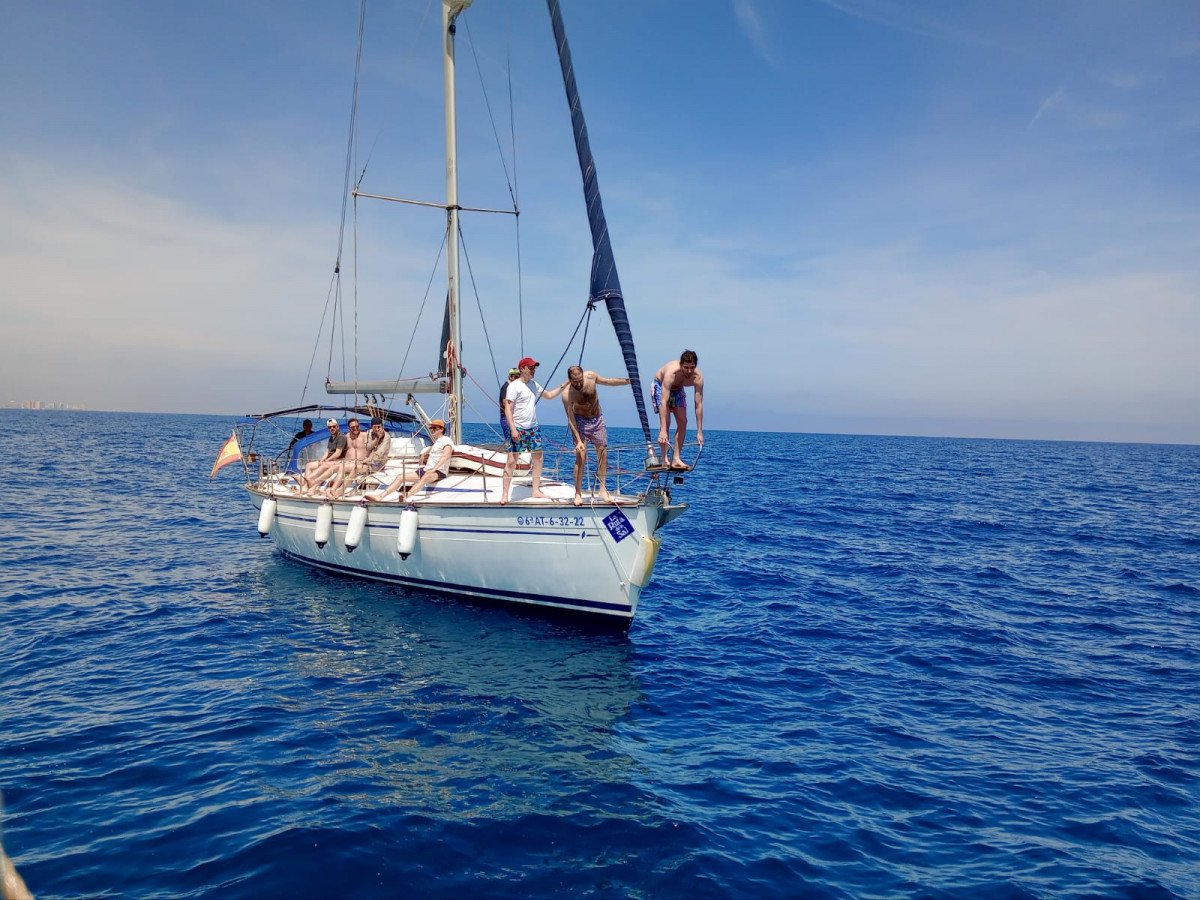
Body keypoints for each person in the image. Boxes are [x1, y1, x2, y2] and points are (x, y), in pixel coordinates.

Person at [554, 365, 630, 505]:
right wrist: (578, 441)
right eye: (574, 381)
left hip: (597, 419)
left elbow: (608, 382)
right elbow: (570, 419)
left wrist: (628, 381)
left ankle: (602, 489)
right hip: (580, 421)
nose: (578, 384)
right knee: (581, 457)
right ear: (569, 380)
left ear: (583, 375)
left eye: (580, 380)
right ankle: (577, 493)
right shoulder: (567, 394)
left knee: (603, 454)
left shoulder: (591, 377)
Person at [500, 356, 564, 504]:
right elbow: (508, 409)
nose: (533, 370)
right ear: (522, 369)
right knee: (511, 461)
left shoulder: (534, 385)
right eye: (531, 367)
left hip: (533, 428)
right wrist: (513, 429)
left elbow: (548, 396)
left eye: (534, 368)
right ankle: (505, 495)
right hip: (519, 428)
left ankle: (535, 490)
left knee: (538, 458)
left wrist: (563, 386)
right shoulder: (513, 386)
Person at [365, 419, 453, 502]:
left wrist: (433, 470)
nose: (432, 430)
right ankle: (380, 496)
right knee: (400, 477)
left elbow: (445, 456)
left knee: (425, 477)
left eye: (435, 428)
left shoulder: (447, 440)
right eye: (431, 428)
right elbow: (434, 448)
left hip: (439, 472)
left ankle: (406, 496)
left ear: (441, 429)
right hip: (427, 470)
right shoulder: (437, 441)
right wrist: (424, 453)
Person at [652, 349, 704, 469]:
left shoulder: (698, 378)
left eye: (692, 367)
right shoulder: (671, 373)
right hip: (661, 386)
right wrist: (663, 430)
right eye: (686, 367)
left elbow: (699, 404)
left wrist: (699, 431)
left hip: (678, 389)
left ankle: (676, 458)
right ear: (681, 365)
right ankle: (664, 459)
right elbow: (663, 402)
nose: (689, 371)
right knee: (667, 423)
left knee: (683, 421)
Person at [326, 417, 391, 498]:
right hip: (368, 461)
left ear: (382, 426)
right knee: (343, 467)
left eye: (379, 427)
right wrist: (377, 439)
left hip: (377, 464)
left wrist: (367, 460)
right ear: (371, 427)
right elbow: (368, 447)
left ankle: (339, 492)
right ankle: (333, 489)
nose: (377, 429)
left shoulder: (387, 437)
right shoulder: (370, 433)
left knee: (356, 469)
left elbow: (379, 454)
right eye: (375, 427)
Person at [298, 418, 348, 492]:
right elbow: (327, 451)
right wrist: (322, 460)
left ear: (337, 427)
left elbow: (338, 453)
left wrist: (326, 460)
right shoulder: (331, 438)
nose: (332, 428)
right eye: (330, 427)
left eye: (334, 426)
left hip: (337, 461)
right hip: (330, 460)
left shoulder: (341, 437)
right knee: (309, 465)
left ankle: (307, 481)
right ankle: (305, 487)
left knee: (323, 465)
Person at [499, 368, 520, 443]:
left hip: (514, 418)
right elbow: (505, 403)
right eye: (516, 377)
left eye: (519, 377)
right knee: (511, 441)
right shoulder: (506, 387)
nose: (517, 379)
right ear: (510, 377)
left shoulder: (514, 387)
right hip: (506, 418)